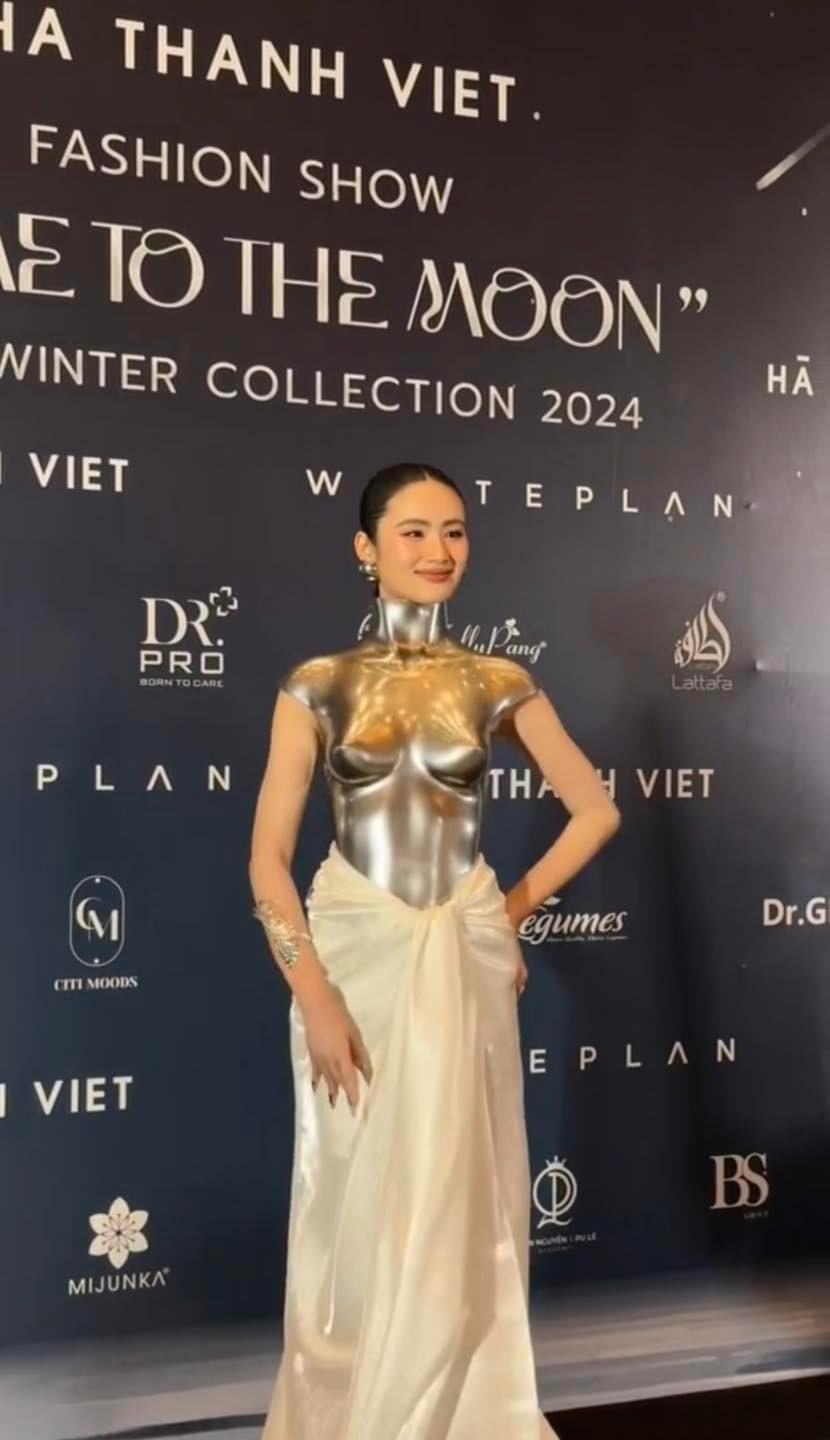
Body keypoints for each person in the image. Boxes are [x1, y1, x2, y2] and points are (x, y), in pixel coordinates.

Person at [248, 462, 621, 1440]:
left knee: (460, 1190)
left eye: (453, 530)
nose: (437, 550)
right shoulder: (318, 685)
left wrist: (506, 912)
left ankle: (461, 1416)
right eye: (412, 532)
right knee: (350, 1196)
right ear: (365, 549)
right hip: (352, 961)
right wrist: (313, 995)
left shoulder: (495, 681)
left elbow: (594, 810)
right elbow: (266, 863)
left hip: (462, 957)